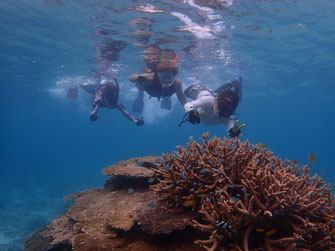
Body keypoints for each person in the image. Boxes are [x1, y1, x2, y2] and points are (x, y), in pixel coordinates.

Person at [180, 76, 246, 137]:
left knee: (215, 93)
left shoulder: (227, 117)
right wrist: (191, 111)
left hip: (213, 95)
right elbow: (188, 105)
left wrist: (234, 132)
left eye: (228, 110)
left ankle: (232, 83)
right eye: (222, 105)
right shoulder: (208, 101)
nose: (222, 111)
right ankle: (231, 83)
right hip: (198, 89)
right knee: (186, 92)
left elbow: (231, 130)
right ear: (217, 100)